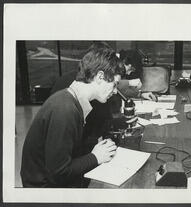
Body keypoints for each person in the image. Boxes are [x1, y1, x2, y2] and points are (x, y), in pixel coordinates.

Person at [20, 44, 124, 188]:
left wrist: (96, 150)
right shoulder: (65, 109)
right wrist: (95, 157)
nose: (115, 91)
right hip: (44, 190)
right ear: (100, 76)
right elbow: (58, 173)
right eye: (114, 84)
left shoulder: (71, 99)